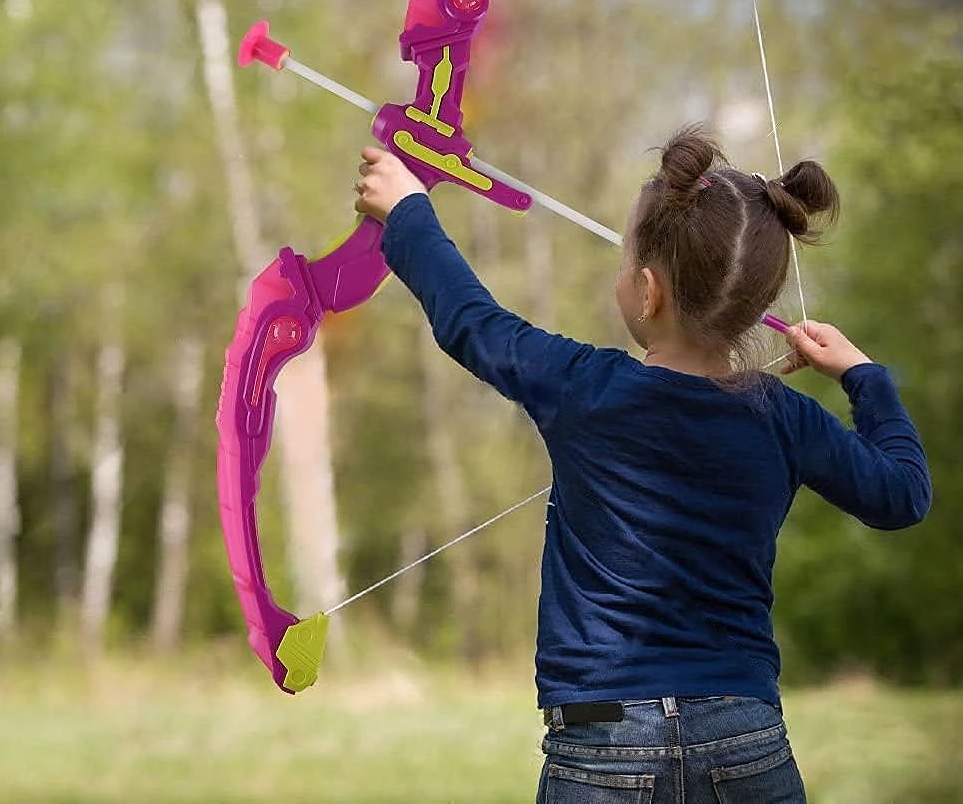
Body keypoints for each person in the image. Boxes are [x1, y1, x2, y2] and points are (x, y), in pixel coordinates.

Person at [352, 126, 930, 804]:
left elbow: (473, 323)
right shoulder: (784, 416)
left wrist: (408, 209)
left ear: (649, 293)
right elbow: (902, 495)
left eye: (625, 263)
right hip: (745, 736)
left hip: (599, 739)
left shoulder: (583, 386)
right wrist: (864, 376)